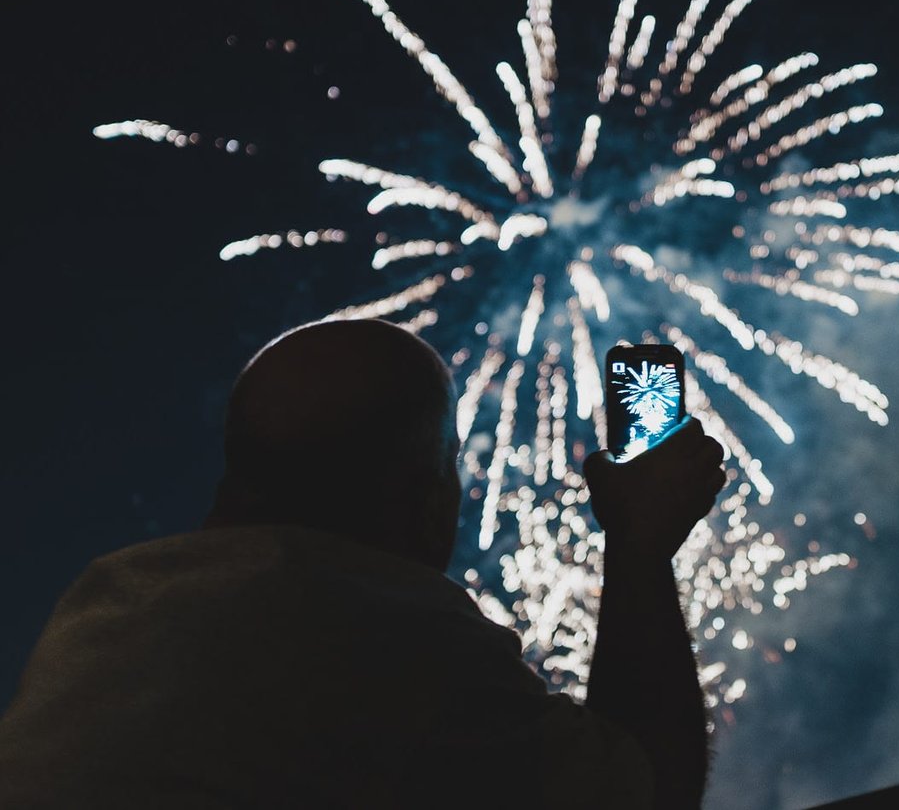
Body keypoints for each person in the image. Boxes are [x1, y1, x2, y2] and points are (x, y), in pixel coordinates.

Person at [0, 319, 726, 808]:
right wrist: (639, 542)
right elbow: (648, 791)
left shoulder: (106, 604)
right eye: (447, 464)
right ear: (414, 492)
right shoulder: (385, 632)